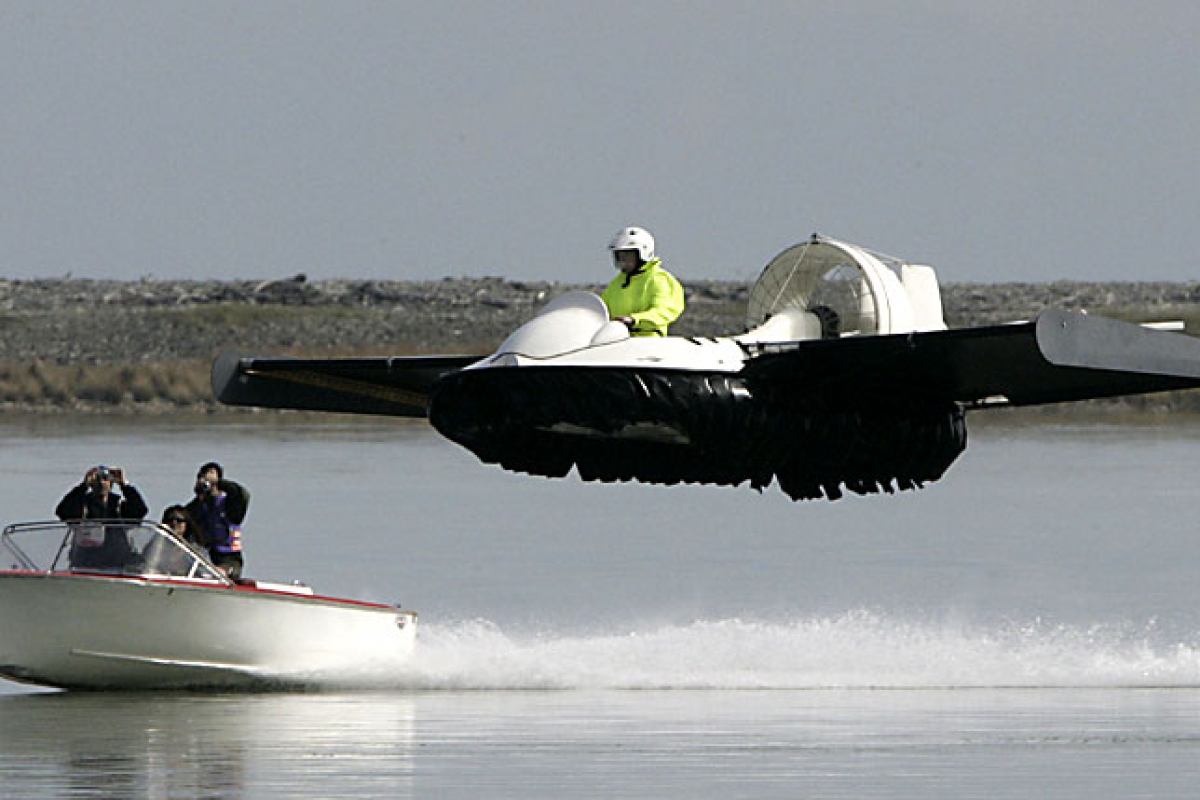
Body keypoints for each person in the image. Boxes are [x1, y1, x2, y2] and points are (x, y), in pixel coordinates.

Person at [55, 465, 149, 570]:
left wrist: (124, 484)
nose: (101, 483)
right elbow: (62, 511)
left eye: (105, 479)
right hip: (84, 564)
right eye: (97, 480)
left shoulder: (119, 506)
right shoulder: (82, 507)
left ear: (111, 483)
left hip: (118, 564)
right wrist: (82, 486)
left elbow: (140, 510)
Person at [600, 226, 685, 337]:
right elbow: (601, 310)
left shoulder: (658, 279)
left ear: (643, 254)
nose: (623, 260)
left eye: (628, 255)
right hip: (617, 343)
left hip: (647, 345)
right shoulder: (617, 283)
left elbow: (664, 311)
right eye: (619, 256)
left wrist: (634, 320)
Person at [184, 461, 250, 580]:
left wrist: (218, 482)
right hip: (203, 556)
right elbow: (180, 518)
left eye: (210, 474)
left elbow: (243, 494)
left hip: (229, 558)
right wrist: (200, 493)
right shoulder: (196, 507)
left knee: (215, 574)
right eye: (202, 476)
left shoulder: (230, 505)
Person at [142, 505, 208, 576]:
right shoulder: (154, 547)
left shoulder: (197, 551)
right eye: (169, 520)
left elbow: (205, 574)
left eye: (179, 520)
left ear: (186, 524)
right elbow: (144, 566)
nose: (174, 523)